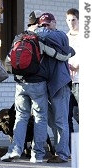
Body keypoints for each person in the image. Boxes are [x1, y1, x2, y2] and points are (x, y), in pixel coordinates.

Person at [1, 10, 49, 163]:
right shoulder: (42, 37)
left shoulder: (18, 37)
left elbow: (8, 60)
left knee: (21, 117)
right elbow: (54, 54)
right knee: (40, 118)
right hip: (38, 83)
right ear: (39, 22)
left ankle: (15, 150)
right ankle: (38, 155)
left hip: (21, 84)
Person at [35, 12, 75, 163]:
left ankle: (63, 154)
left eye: (47, 24)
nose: (46, 27)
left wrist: (36, 28)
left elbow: (49, 35)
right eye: (43, 24)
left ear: (54, 23)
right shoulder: (43, 37)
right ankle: (58, 151)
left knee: (61, 121)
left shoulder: (60, 36)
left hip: (60, 84)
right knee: (52, 122)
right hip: (48, 85)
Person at [66, 8, 79, 152]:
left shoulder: (85, 36)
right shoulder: (65, 36)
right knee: (67, 116)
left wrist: (78, 65)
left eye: (73, 20)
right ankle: (70, 149)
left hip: (81, 81)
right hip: (67, 82)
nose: (71, 23)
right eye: (68, 20)